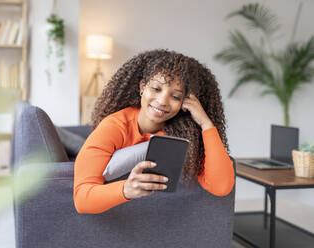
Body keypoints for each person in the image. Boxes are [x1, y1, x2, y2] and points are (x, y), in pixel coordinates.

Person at [74, 49, 234, 214]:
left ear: (185, 103)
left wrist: (206, 123)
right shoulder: (114, 126)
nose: (162, 101)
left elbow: (221, 186)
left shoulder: (185, 136)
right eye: (156, 89)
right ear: (142, 87)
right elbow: (82, 199)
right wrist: (125, 189)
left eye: (176, 97)